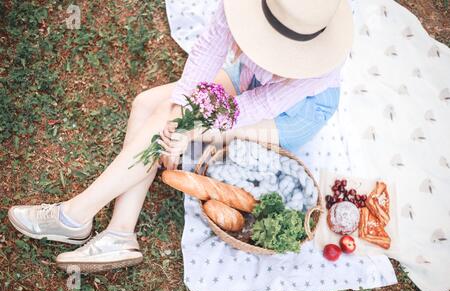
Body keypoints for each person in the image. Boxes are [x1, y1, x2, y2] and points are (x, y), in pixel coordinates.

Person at [8, 0, 353, 272]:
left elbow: (257, 104)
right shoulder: (246, 8)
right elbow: (207, 52)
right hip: (248, 74)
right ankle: (118, 233)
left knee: (179, 125)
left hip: (291, 112)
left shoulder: (319, 65)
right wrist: (179, 111)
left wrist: (195, 130)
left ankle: (74, 216)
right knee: (149, 106)